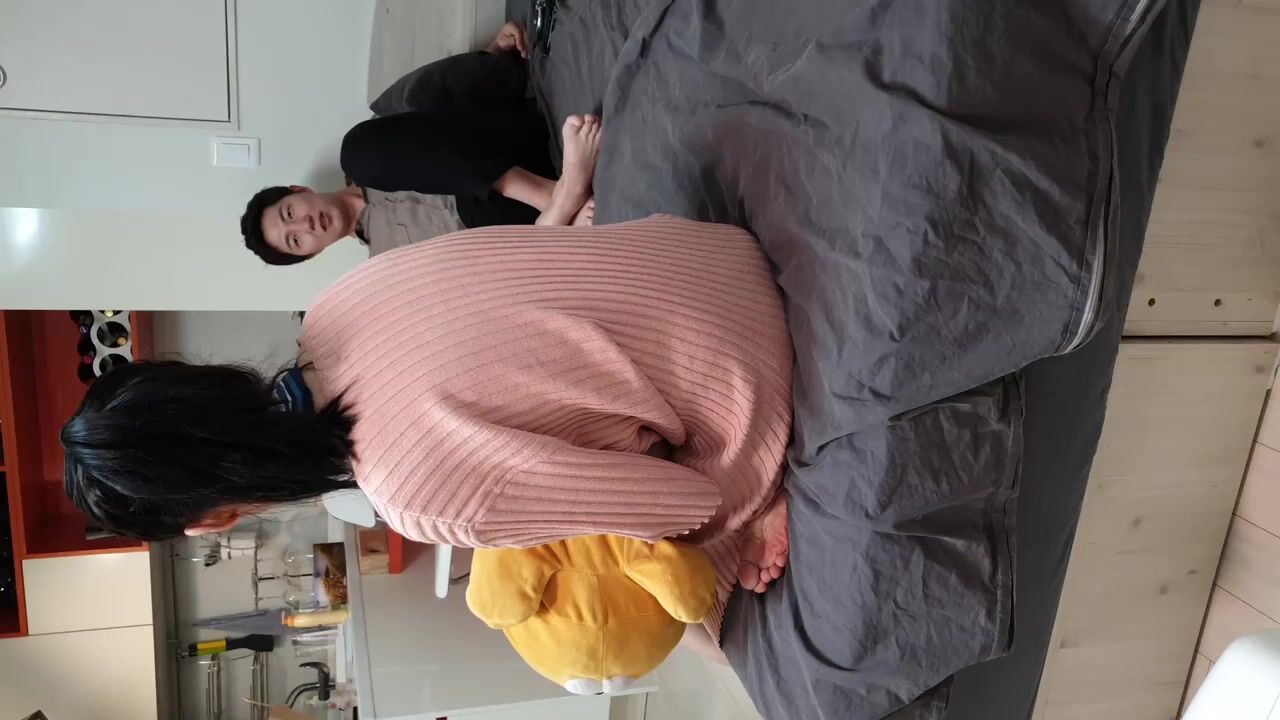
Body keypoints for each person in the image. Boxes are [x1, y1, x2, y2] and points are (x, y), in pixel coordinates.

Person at [62, 216, 792, 653]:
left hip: (749, 374)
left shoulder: (413, 495)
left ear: (210, 520)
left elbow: (681, 500)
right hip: (706, 251)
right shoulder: (333, 301)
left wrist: (739, 520)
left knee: (704, 621)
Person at [240, 21, 599, 265]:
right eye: (296, 241)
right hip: (509, 222)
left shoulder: (373, 150)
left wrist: (490, 56)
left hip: (510, 146)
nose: (306, 225)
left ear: (299, 190)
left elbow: (441, 101)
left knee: (357, 151)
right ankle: (557, 211)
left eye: (290, 213)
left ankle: (556, 197)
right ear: (311, 254)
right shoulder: (384, 263)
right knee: (470, 229)